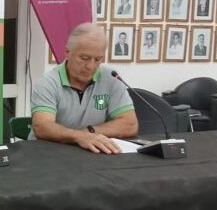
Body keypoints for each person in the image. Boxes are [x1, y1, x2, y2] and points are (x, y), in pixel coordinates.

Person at [30, 23, 137, 154]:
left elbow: (130, 124)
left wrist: (90, 132)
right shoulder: (48, 83)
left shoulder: (111, 78)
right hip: (48, 154)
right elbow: (42, 127)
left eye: (97, 59)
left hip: (91, 154)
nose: (90, 66)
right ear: (67, 53)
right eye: (84, 58)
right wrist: (79, 137)